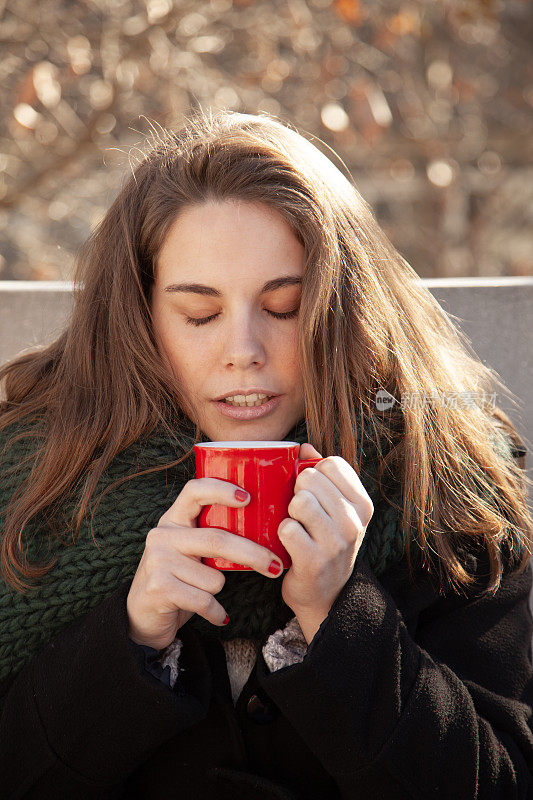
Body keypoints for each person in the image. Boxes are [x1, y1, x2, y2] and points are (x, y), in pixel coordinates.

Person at [0, 108, 532, 800]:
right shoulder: (42, 482)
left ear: (341, 310)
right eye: (199, 313)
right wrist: (133, 634)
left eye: (282, 306)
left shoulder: (447, 477)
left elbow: (498, 785)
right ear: (139, 315)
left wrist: (341, 617)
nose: (242, 349)